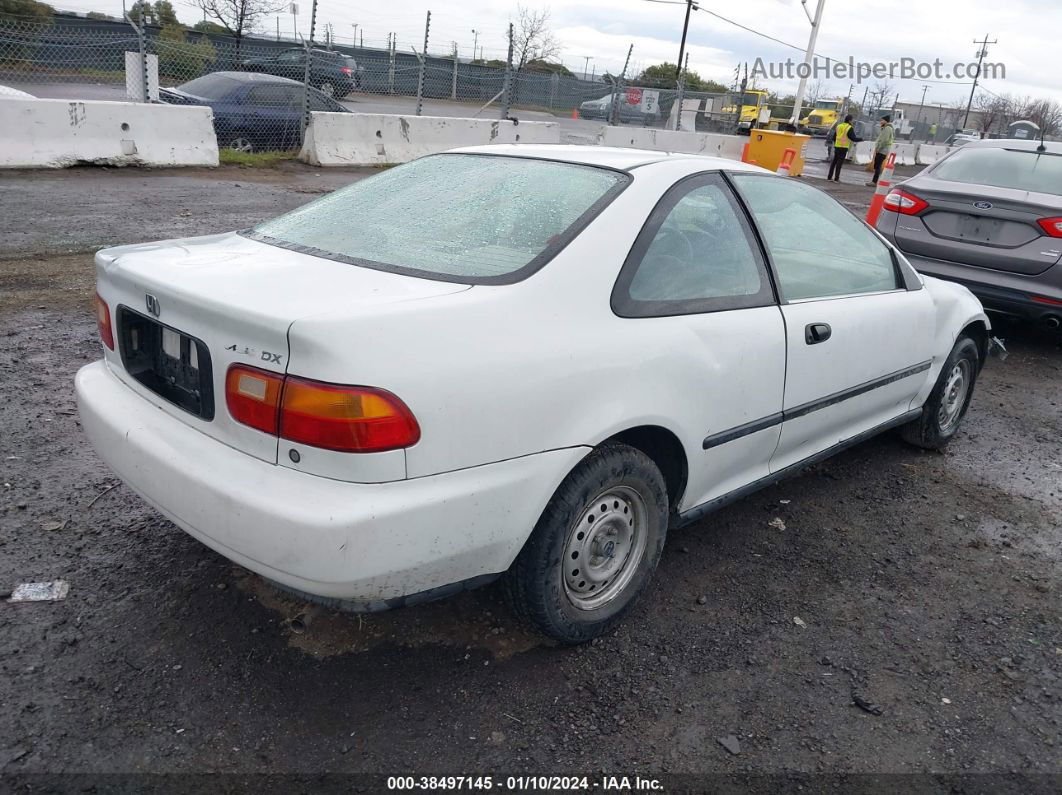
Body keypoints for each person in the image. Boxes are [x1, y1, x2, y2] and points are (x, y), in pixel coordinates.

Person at [826, 114, 861, 182]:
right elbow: (853, 138)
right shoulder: (849, 127)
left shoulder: (839, 126)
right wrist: (861, 139)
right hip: (844, 147)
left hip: (837, 146)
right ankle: (836, 178)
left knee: (834, 162)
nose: (852, 121)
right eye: (852, 120)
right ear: (849, 120)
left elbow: (834, 137)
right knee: (839, 163)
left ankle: (829, 177)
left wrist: (837, 143)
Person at [866, 115, 896, 186]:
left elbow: (884, 141)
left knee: (878, 165)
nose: (880, 121)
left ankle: (874, 182)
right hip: (883, 150)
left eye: (882, 120)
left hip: (882, 150)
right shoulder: (886, 128)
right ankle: (874, 181)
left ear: (886, 121)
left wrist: (878, 148)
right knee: (877, 165)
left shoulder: (887, 128)